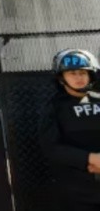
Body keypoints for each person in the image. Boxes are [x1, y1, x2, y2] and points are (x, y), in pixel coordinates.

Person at [39, 49, 100, 211]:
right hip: (75, 191)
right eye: (72, 73)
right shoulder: (54, 107)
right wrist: (90, 159)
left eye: (82, 73)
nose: (79, 78)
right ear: (61, 78)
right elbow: (50, 147)